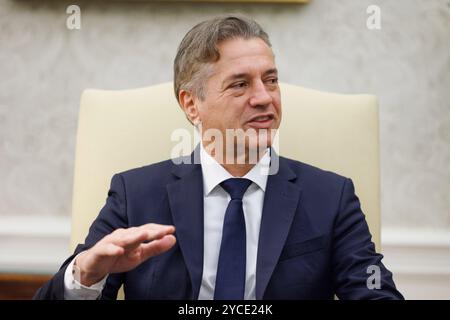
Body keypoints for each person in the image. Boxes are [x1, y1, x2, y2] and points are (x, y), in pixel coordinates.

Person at [34, 15, 403, 300]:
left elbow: (373, 291)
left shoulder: (330, 197)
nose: (264, 97)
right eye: (240, 84)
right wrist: (85, 274)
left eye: (271, 80)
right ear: (191, 104)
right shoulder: (136, 194)